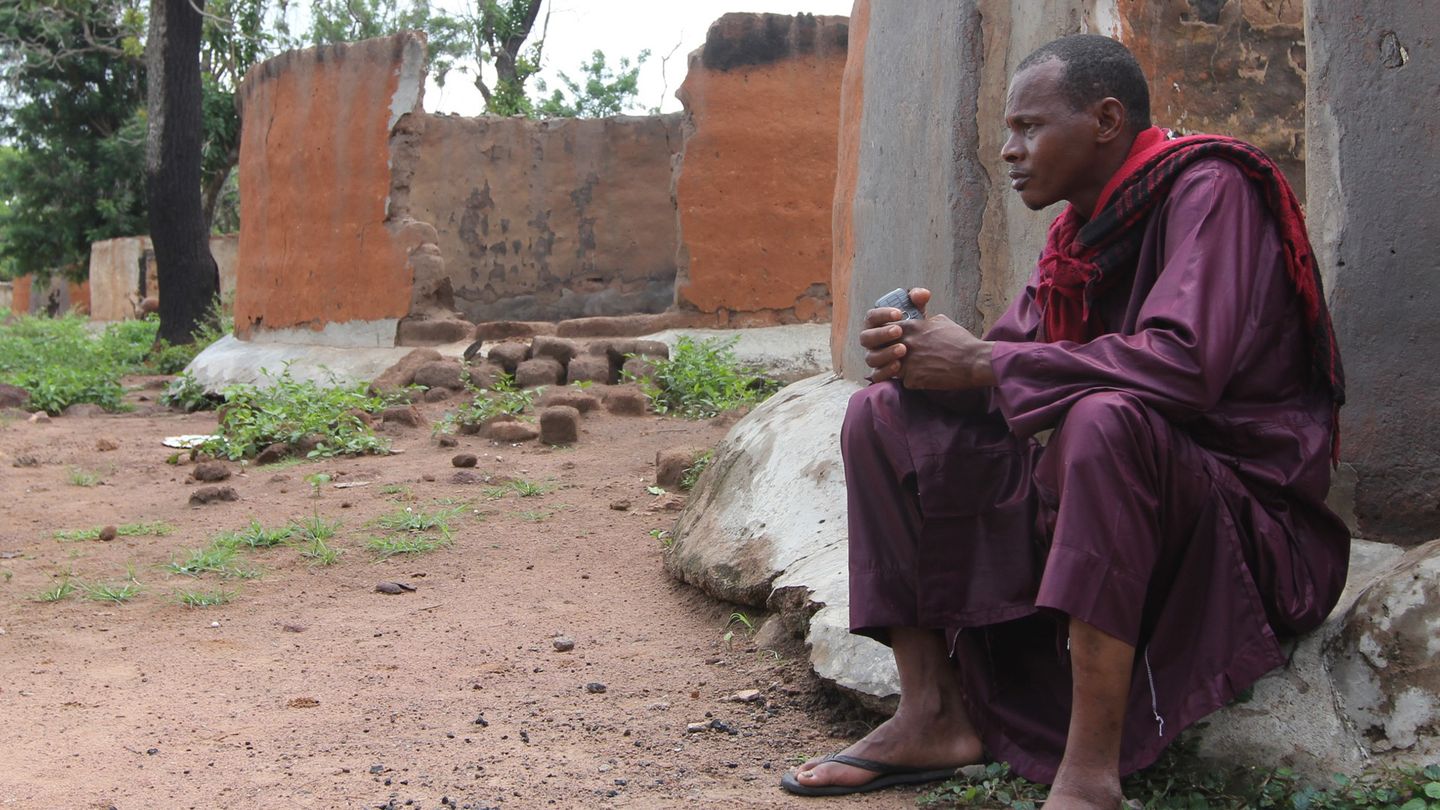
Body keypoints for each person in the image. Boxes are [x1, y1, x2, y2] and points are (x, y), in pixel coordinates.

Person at [780, 34, 1348, 808]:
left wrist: (983, 362)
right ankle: (933, 713)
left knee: (1103, 421)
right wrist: (921, 359)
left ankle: (1089, 772)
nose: (1009, 151)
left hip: (1246, 526)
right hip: (1135, 500)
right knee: (882, 415)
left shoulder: (1212, 187)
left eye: (1029, 127)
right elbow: (1007, 370)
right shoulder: (1078, 235)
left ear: (1106, 121)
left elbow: (1184, 367)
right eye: (1008, 130)